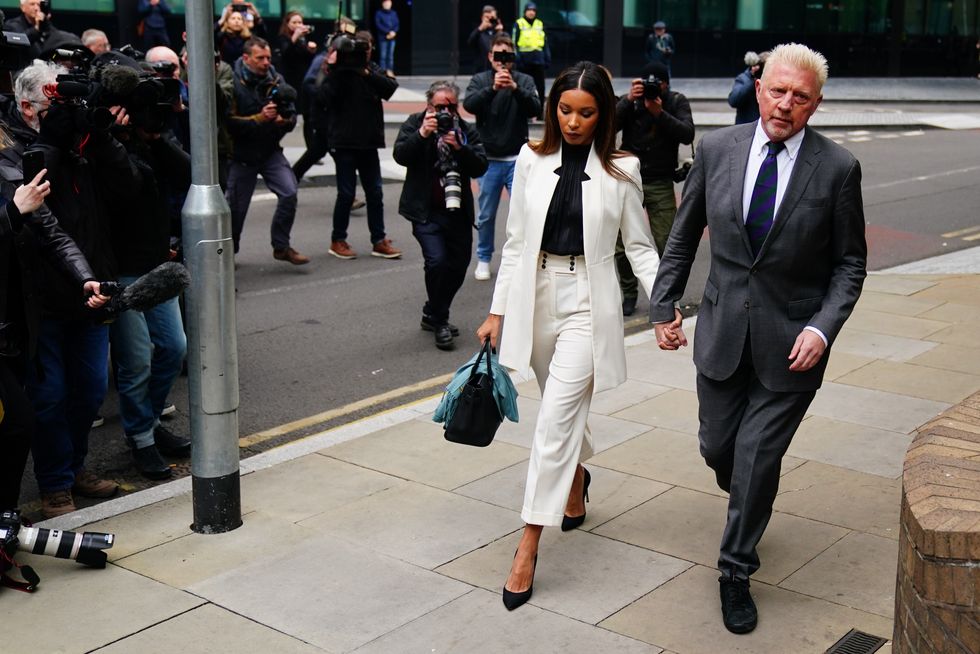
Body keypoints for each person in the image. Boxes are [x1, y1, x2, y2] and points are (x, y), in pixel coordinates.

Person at [650, 43, 867, 634]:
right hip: (722, 332)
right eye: (777, 90)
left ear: (815, 104)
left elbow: (850, 265)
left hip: (792, 345)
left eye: (800, 96)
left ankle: (735, 571)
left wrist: (823, 328)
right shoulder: (717, 149)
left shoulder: (838, 168)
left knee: (754, 459)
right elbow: (683, 231)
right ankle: (748, 487)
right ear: (758, 87)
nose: (786, 104)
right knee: (718, 449)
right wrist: (663, 302)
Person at [476, 61, 661, 611]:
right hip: (535, 298)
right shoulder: (529, 162)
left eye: (585, 112)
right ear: (553, 109)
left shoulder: (623, 169)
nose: (573, 122)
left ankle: (528, 542)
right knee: (558, 410)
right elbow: (513, 245)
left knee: (554, 421)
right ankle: (576, 478)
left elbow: (642, 248)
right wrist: (497, 311)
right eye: (565, 110)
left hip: (589, 299)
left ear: (603, 115)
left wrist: (664, 305)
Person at [3, 60, 138, 518]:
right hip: (40, 295)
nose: (63, 112)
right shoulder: (10, 148)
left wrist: (96, 134)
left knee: (89, 390)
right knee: (49, 396)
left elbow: (131, 186)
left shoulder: (82, 138)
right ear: (26, 107)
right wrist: (52, 142)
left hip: (91, 284)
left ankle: (77, 468)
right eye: (52, 104)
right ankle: (55, 485)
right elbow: (42, 224)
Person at [0, 129, 108, 512]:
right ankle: (48, 488)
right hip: (28, 313)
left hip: (23, 317)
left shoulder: (11, 160)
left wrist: (84, 278)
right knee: (29, 413)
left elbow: (53, 233)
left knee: (83, 392)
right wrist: (13, 211)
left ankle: (12, 520)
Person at [109, 85, 191, 480]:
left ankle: (151, 422)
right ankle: (140, 438)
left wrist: (157, 137)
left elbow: (189, 173)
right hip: (121, 266)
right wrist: (117, 137)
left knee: (174, 349)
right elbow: (125, 189)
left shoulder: (156, 141)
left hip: (157, 263)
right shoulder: (106, 145)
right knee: (137, 359)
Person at [394, 82, 487, 351]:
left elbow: (481, 165)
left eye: (450, 106)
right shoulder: (415, 123)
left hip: (456, 211)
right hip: (425, 212)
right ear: (428, 106)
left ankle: (432, 311)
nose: (445, 112)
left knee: (458, 265)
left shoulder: (465, 131)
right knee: (436, 262)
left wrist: (460, 148)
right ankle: (441, 321)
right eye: (439, 107)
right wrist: (423, 134)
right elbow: (400, 155)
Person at [614, 61, 693, 315]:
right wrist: (627, 100)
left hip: (660, 180)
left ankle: (667, 297)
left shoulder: (676, 101)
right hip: (629, 178)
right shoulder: (631, 102)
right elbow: (608, 127)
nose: (650, 89)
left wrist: (660, 113)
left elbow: (687, 134)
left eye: (655, 84)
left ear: (665, 84)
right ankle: (629, 293)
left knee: (667, 243)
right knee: (621, 244)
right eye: (645, 83)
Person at [225, 36, 309, 264]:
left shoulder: (276, 79)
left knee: (289, 192)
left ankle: (281, 246)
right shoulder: (232, 82)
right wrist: (259, 118)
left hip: (270, 151)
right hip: (242, 155)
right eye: (260, 58)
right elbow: (228, 123)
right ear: (246, 58)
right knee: (235, 210)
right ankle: (227, 256)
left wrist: (283, 121)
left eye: (268, 58)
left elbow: (292, 117)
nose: (265, 62)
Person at [463, 33, 539, 281]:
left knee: (523, 213)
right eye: (498, 55)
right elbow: (470, 105)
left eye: (507, 55)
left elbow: (535, 109)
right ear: (490, 56)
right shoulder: (480, 79)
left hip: (518, 158)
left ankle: (521, 258)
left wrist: (515, 89)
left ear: (514, 57)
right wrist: (493, 88)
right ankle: (484, 258)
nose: (502, 61)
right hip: (489, 159)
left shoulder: (524, 80)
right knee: (486, 214)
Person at [319, 31, 401, 260]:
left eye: (368, 49)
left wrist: (365, 73)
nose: (364, 54)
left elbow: (390, 89)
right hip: (343, 141)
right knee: (346, 194)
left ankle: (378, 240)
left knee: (375, 192)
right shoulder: (337, 73)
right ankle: (338, 239)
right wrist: (332, 67)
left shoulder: (371, 70)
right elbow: (322, 98)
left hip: (368, 141)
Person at [512, 2, 549, 120]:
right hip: (524, 61)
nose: (531, 12)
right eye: (529, 10)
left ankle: (539, 113)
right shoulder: (519, 23)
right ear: (525, 11)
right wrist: (517, 59)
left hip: (538, 60)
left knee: (541, 88)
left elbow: (545, 43)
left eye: (534, 10)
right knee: (524, 87)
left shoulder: (540, 24)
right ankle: (526, 113)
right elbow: (513, 43)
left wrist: (547, 58)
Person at [274, 11, 317, 95]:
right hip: (288, 75)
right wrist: (296, 35)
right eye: (294, 22)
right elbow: (286, 53)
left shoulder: (303, 38)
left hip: (301, 75)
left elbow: (307, 58)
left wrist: (311, 50)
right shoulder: (283, 38)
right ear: (287, 24)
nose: (297, 25)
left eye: (300, 22)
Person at [728, 51, 768, 125]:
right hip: (746, 128)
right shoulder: (743, 79)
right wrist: (753, 80)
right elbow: (733, 101)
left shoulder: (773, 82)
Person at [468, 5, 504, 74]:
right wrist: (480, 29)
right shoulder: (478, 32)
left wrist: (500, 32)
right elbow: (470, 43)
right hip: (481, 69)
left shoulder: (499, 32)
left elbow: (507, 46)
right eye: (487, 17)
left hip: (497, 70)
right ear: (482, 18)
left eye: (492, 18)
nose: (489, 20)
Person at [374, 0, 399, 75]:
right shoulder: (379, 13)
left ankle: (390, 71)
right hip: (383, 37)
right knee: (383, 56)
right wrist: (388, 32)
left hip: (392, 37)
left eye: (389, 3)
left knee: (390, 56)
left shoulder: (394, 13)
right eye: (386, 3)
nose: (388, 4)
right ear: (383, 4)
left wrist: (393, 32)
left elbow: (397, 24)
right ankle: (383, 72)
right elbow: (378, 24)